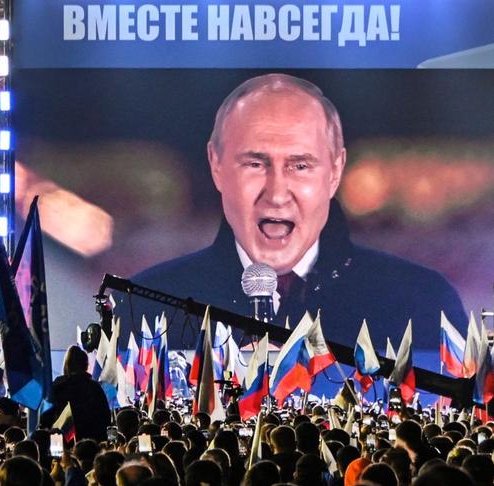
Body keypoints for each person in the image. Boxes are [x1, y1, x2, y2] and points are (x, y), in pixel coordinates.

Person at [124, 73, 467, 350]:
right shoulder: (146, 306)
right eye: (255, 163)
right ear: (216, 166)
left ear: (335, 172)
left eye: (300, 165)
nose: (276, 194)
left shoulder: (420, 303)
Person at [40, 346, 111, 442]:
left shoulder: (56, 388)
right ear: (86, 365)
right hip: (92, 444)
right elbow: (105, 419)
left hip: (60, 444)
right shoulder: (95, 388)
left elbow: (45, 420)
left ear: (66, 365)